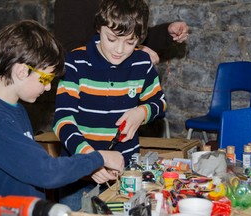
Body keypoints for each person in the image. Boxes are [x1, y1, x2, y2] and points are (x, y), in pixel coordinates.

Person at [0, 19, 124, 216]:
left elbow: (31, 164)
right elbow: (46, 172)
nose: (47, 87)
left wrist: (88, 168)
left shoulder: (16, 110)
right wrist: (100, 157)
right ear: (21, 71)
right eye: (45, 79)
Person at [53, 0, 167, 210]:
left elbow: (159, 103)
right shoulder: (75, 62)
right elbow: (62, 121)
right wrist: (90, 159)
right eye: (112, 39)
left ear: (140, 39)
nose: (120, 50)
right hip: (77, 174)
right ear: (99, 27)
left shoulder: (142, 62)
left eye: (130, 42)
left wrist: (142, 112)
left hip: (124, 173)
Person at [54, 0, 189, 64]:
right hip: (88, 95)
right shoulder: (71, 3)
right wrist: (135, 54)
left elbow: (130, 36)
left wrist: (166, 32)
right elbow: (70, 52)